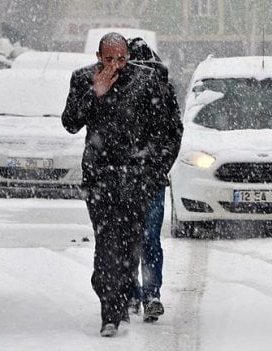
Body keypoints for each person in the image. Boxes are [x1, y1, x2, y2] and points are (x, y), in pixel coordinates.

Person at [62, 32, 181, 337]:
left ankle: (121, 293)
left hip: (136, 180)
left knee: (130, 246)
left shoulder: (146, 81)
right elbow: (71, 122)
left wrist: (154, 169)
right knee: (106, 244)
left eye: (121, 58)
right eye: (109, 58)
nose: (115, 65)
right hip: (100, 178)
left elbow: (167, 130)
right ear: (98, 56)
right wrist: (95, 94)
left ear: (128, 56)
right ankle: (110, 313)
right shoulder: (83, 79)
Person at [125, 37, 183, 323]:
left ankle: (147, 294)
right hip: (134, 178)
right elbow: (174, 134)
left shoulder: (161, 90)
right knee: (137, 238)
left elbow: (174, 133)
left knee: (143, 238)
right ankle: (138, 293)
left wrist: (158, 164)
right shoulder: (125, 89)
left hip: (146, 178)